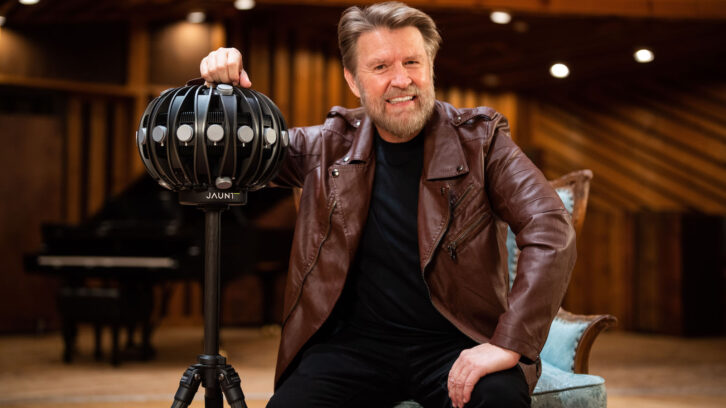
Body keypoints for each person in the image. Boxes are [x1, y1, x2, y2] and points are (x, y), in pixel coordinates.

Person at [200, 2, 575, 407]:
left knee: (497, 399)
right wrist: (224, 92)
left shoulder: (482, 141)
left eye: (413, 62)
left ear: (430, 66)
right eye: (380, 67)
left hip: (456, 344)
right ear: (353, 80)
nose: (401, 80)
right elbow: (233, 155)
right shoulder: (327, 146)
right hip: (349, 351)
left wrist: (508, 343)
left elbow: (549, 225)